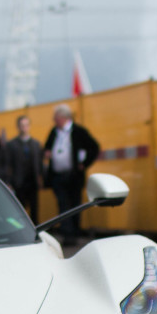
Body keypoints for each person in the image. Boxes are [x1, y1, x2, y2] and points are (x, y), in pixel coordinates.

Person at [42, 105, 100, 246]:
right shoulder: (54, 132)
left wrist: (84, 164)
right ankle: (67, 234)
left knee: (74, 205)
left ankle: (74, 233)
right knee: (63, 204)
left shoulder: (79, 131)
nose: (54, 121)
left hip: (74, 176)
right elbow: (47, 147)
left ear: (64, 118)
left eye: (56, 118)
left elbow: (94, 147)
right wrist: (47, 153)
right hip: (58, 176)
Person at [4, 114, 43, 222]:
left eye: (26, 125)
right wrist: (9, 181)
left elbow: (39, 163)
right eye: (22, 125)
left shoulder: (35, 144)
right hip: (19, 182)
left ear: (29, 126)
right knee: (20, 210)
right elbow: (8, 164)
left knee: (35, 209)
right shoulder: (11, 145)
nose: (24, 128)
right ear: (18, 127)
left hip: (32, 181)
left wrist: (40, 178)